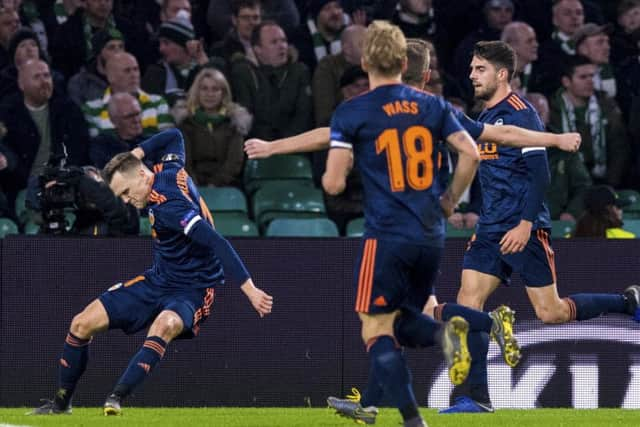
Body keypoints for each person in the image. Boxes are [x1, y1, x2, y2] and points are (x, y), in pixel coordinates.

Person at [320, 21, 516, 427]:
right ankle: (390, 409)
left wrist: (335, 168)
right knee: (404, 324)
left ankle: (452, 341)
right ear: (411, 65)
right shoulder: (437, 107)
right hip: (430, 233)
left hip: (388, 234)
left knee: (376, 328)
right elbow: (475, 149)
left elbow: (334, 182)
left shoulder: (357, 109)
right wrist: (449, 200)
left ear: (367, 60)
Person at [30, 128, 273, 416]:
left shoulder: (171, 206)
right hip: (158, 280)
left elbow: (217, 242)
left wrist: (251, 289)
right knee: (81, 323)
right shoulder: (168, 168)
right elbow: (175, 135)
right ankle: (60, 405)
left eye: (125, 192)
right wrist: (135, 155)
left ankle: (115, 398)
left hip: (193, 290)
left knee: (165, 325)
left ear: (143, 178)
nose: (124, 200)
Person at [456, 41, 640, 386]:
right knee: (467, 303)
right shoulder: (485, 116)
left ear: (502, 73)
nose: (472, 76)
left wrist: (526, 225)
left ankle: (627, 303)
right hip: (490, 226)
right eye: (471, 69)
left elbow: (540, 173)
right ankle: (474, 397)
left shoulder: (523, 114)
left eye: (479, 69)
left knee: (550, 312)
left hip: (523, 226)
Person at [179, 68, 251, 187]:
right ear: (197, 92)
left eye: (215, 89)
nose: (209, 94)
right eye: (204, 89)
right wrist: (193, 186)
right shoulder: (186, 123)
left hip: (226, 185)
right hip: (191, 185)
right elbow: (184, 162)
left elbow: (234, 163)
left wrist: (214, 184)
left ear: (223, 93)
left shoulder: (234, 123)